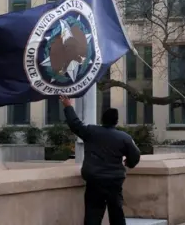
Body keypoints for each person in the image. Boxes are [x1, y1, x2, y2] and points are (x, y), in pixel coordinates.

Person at [59, 96, 141, 225]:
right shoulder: (124, 138)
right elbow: (135, 156)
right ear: (116, 121)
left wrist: (68, 106)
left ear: (102, 120)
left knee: (93, 212)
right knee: (116, 212)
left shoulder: (92, 131)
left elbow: (75, 124)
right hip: (114, 180)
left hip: (94, 179)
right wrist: (128, 163)